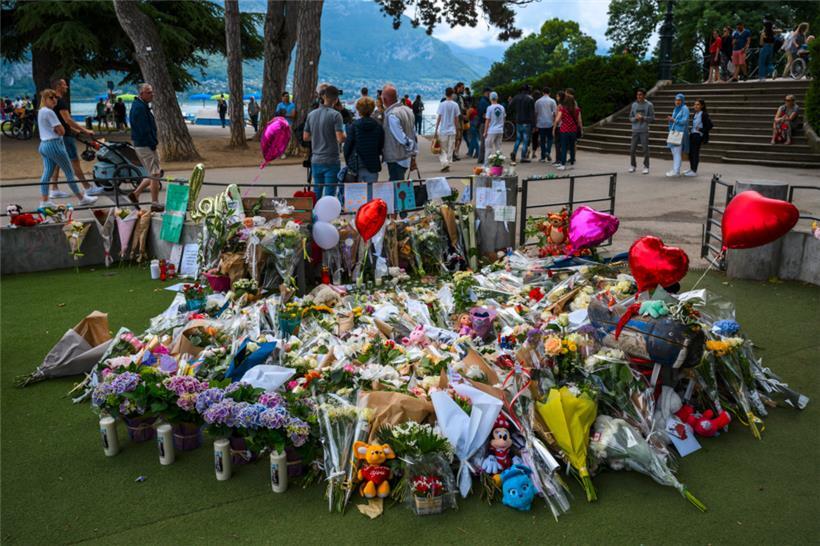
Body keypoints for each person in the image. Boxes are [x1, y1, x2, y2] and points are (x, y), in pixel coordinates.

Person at [36, 89, 98, 209]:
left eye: (55, 97)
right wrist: (60, 130)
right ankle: (82, 198)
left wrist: (58, 129)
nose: (54, 100)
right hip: (54, 144)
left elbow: (56, 129)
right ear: (45, 99)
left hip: (44, 144)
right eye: (51, 98)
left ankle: (45, 200)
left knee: (47, 172)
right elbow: (62, 131)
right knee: (69, 172)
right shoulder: (50, 112)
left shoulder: (41, 111)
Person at [48, 78, 102, 199]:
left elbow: (60, 121)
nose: (67, 87)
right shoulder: (60, 102)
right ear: (58, 86)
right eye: (64, 85)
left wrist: (76, 131)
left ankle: (54, 189)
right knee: (74, 161)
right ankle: (87, 188)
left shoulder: (52, 101)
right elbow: (68, 120)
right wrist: (85, 130)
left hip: (57, 136)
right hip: (65, 137)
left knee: (56, 162)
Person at [127, 84, 164, 211]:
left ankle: (136, 194)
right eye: (149, 92)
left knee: (155, 172)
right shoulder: (139, 108)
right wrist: (152, 143)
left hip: (144, 143)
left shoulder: (141, 106)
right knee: (155, 174)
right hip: (145, 144)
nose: (152, 94)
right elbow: (144, 130)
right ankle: (154, 203)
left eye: (152, 92)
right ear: (141, 94)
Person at [303, 85, 345, 197]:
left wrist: (318, 135)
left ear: (324, 96)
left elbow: (305, 137)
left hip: (316, 158)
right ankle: (328, 214)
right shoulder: (336, 115)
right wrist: (347, 135)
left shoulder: (311, 114)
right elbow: (340, 138)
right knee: (330, 192)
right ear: (336, 100)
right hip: (331, 159)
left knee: (317, 190)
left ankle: (316, 213)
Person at [344, 96, 384, 188]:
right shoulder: (378, 126)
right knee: (371, 193)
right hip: (372, 164)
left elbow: (347, 146)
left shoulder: (354, 126)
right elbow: (380, 146)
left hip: (357, 164)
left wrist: (348, 161)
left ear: (358, 109)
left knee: (356, 195)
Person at [381, 84, 417, 181]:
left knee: (396, 187)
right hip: (406, 157)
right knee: (400, 186)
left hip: (397, 157)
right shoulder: (408, 110)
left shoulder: (392, 115)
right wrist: (413, 153)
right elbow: (413, 132)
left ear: (384, 99)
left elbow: (401, 137)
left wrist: (410, 145)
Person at [434, 87, 460, 172]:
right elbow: (456, 119)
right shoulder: (455, 105)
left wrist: (436, 128)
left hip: (443, 130)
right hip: (452, 130)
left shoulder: (442, 104)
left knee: (442, 149)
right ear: (452, 94)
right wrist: (457, 129)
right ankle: (448, 163)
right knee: (450, 148)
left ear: (445, 94)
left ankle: (445, 163)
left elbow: (439, 117)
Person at [628, 88, 654, 174]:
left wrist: (643, 118)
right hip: (635, 130)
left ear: (644, 95)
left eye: (640, 94)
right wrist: (635, 118)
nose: (639, 96)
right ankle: (633, 165)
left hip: (644, 130)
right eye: (637, 94)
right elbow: (630, 118)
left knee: (645, 149)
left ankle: (646, 166)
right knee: (632, 150)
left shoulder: (649, 105)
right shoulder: (634, 105)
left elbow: (652, 118)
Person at [554, 93, 582, 171]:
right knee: (572, 147)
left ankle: (563, 164)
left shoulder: (563, 109)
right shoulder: (577, 109)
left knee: (564, 147)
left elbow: (557, 120)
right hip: (573, 131)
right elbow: (579, 121)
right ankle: (572, 162)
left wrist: (557, 123)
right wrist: (581, 129)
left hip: (564, 130)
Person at [685, 99, 712, 177]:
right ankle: (691, 168)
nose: (695, 106)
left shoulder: (704, 114)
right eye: (695, 104)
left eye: (698, 104)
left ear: (702, 106)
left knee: (695, 153)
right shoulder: (695, 114)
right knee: (690, 153)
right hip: (692, 135)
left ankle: (694, 171)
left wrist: (700, 129)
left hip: (698, 136)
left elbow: (710, 125)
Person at [509, 85, 534, 164]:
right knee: (525, 140)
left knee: (518, 139)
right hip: (527, 122)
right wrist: (533, 124)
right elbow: (532, 113)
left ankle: (514, 152)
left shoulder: (516, 98)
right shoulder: (530, 99)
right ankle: (523, 157)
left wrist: (514, 116)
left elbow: (510, 107)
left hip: (518, 121)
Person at [665, 93, 689, 177]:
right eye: (676, 100)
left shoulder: (684, 108)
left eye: (679, 100)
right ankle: (675, 169)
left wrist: (674, 120)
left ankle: (676, 171)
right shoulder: (676, 109)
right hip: (674, 132)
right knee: (674, 151)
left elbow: (684, 121)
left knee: (677, 152)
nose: (677, 101)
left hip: (680, 132)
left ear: (682, 100)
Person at [535, 87, 557, 162]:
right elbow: (555, 113)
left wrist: (535, 124)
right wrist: (554, 122)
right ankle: (548, 151)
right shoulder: (552, 101)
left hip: (541, 123)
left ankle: (543, 156)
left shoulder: (538, 101)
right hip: (549, 123)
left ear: (542, 92)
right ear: (549, 93)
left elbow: (536, 113)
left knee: (542, 140)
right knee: (550, 139)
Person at [483, 91, 505, 158]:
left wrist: (485, 132)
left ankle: (486, 165)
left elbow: (487, 120)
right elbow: (504, 118)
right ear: (497, 98)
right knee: (498, 148)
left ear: (490, 98)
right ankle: (498, 165)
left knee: (488, 148)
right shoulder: (502, 107)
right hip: (500, 130)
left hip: (491, 131)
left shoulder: (489, 108)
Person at [552, 90, 565, 167]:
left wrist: (553, 128)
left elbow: (557, 118)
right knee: (562, 144)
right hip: (565, 127)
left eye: (557, 96)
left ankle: (558, 160)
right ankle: (561, 159)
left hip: (559, 126)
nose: (556, 97)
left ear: (560, 97)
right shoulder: (566, 105)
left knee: (557, 144)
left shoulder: (559, 106)